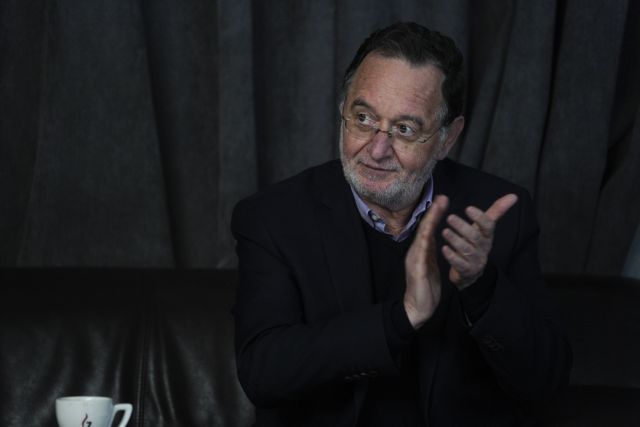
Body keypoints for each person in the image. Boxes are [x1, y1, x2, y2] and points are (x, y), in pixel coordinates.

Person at [231, 22, 571, 426]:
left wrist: (481, 286)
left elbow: (545, 382)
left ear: (447, 138)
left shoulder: (496, 213)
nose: (377, 149)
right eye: (363, 118)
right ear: (343, 111)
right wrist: (402, 317)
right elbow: (262, 373)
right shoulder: (274, 217)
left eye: (405, 129)